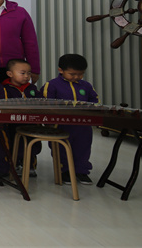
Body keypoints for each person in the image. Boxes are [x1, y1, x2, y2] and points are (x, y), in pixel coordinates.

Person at [42, 54, 98, 185]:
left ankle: (82, 171)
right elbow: (45, 104)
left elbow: (95, 101)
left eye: (80, 74)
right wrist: (49, 124)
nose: (76, 77)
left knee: (83, 148)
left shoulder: (86, 86)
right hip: (60, 125)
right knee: (61, 148)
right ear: (60, 70)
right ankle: (64, 171)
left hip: (83, 126)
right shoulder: (52, 85)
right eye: (72, 74)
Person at [2, 58, 41, 178]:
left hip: (31, 123)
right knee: (14, 144)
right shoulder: (4, 89)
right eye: (22, 73)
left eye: (29, 73)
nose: (26, 76)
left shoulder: (32, 88)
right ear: (10, 74)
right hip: (13, 124)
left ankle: (30, 166)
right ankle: (14, 164)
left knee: (32, 144)